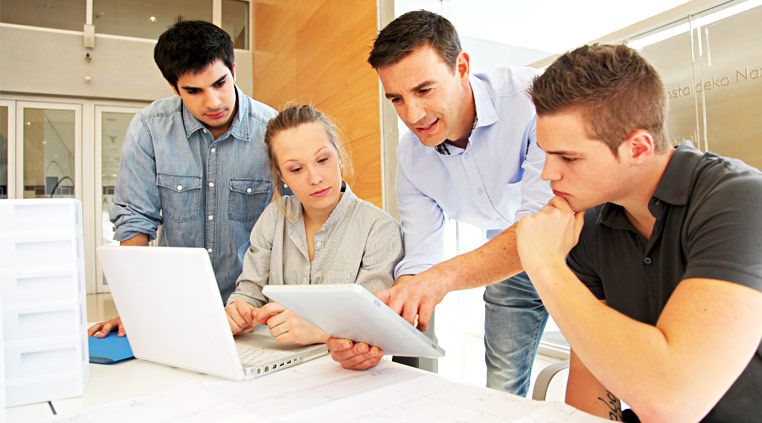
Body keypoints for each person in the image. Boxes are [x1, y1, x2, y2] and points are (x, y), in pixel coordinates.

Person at [515, 44, 762, 422]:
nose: (548, 173)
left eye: (568, 157)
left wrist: (547, 267)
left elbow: (673, 403)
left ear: (638, 148)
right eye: (546, 154)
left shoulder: (739, 200)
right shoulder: (589, 227)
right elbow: (593, 396)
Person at [329, 10, 552, 395]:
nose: (412, 115)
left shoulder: (532, 99)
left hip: (584, 251)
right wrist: (377, 328)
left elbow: (543, 229)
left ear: (461, 67)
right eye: (396, 98)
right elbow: (420, 259)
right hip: (507, 262)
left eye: (424, 90)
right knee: (500, 389)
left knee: (606, 385)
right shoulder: (412, 158)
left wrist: (442, 279)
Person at [89, 20, 275, 338]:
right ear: (175, 88)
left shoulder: (272, 128)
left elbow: (301, 219)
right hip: (175, 310)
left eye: (220, 83)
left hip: (255, 312)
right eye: (194, 91)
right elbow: (135, 221)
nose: (213, 102)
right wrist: (132, 307)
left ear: (234, 68)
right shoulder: (149, 128)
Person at [224, 105, 403, 347]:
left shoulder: (380, 230)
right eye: (296, 169)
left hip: (352, 375)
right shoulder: (273, 218)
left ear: (338, 155)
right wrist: (239, 310)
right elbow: (250, 291)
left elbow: (374, 320)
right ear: (281, 175)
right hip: (280, 366)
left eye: (322, 159)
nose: (315, 178)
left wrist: (321, 330)